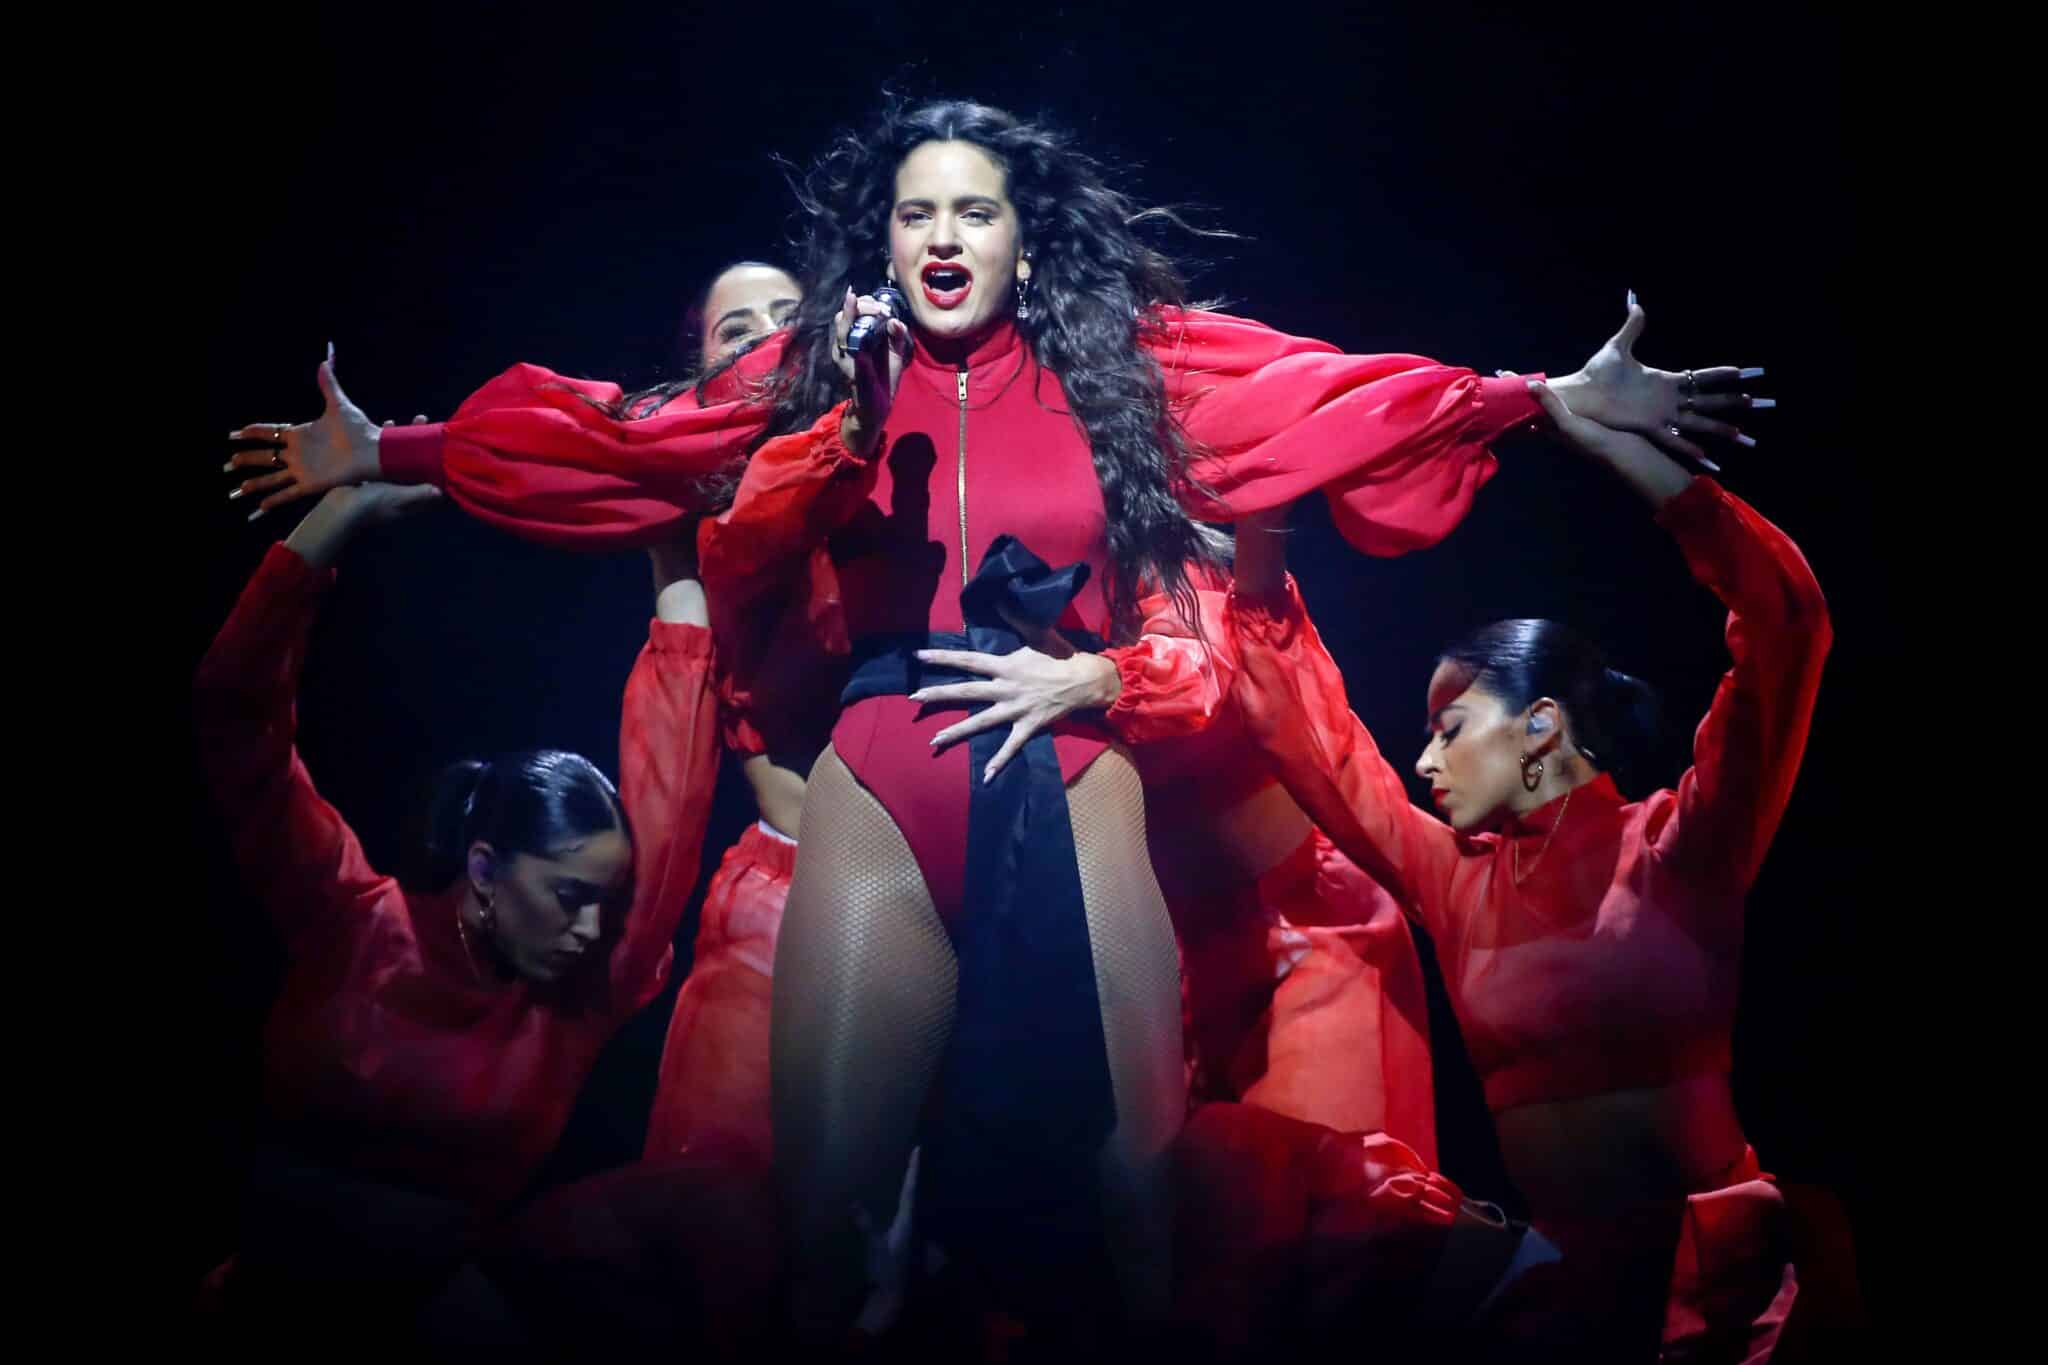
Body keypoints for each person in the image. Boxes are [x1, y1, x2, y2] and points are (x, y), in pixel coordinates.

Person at [1225, 353, 1815, 1359]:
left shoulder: (1680, 845)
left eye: (1449, 725)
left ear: (1539, 724)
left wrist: (1604, 443)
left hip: (1720, 1297)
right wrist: (1264, 489)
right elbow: (1310, 731)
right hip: (1561, 1313)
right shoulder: (1453, 877)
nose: (1420, 759)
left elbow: (1785, 624)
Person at [194, 474, 719, 1337]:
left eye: (606, 902)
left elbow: (679, 768)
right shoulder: (355, 920)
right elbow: (234, 716)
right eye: (568, 895)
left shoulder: (580, 989)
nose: (594, 929)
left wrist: (671, 540)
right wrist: (343, 511)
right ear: (484, 866)